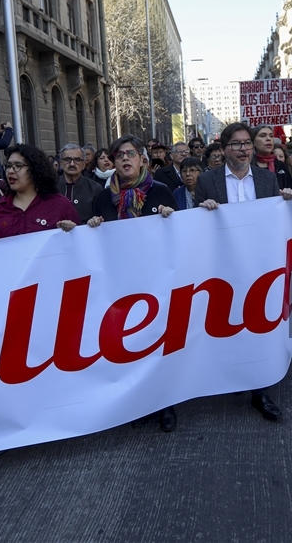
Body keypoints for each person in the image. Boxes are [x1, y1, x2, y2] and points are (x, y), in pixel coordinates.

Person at [193, 122, 292, 422]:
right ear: (224, 149)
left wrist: (286, 201)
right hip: (223, 266)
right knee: (226, 322)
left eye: (247, 144)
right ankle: (225, 376)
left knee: (258, 323)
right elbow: (197, 224)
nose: (243, 149)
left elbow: (277, 221)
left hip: (259, 265)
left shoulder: (267, 180)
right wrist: (204, 209)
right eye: (236, 144)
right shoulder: (208, 181)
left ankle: (260, 389)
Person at [87, 135, 176, 430]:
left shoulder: (162, 192)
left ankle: (165, 403)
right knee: (128, 345)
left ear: (142, 160)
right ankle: (136, 404)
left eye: (131, 154)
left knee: (158, 343)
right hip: (119, 283)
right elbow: (92, 244)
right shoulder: (102, 198)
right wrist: (92, 228)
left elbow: (181, 234)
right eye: (119, 155)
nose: (125, 159)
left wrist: (171, 219)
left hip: (155, 280)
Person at [0, 144, 78, 244]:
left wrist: (73, 231)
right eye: (8, 166)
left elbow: (79, 243)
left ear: (35, 169)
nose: (11, 171)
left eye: (18, 166)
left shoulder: (60, 204)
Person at [56, 144, 104, 222]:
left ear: (83, 165)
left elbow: (100, 217)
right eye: (67, 159)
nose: (72, 164)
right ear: (61, 163)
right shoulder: (50, 187)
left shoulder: (94, 188)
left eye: (77, 160)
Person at [251, 125, 292, 192]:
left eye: (271, 136)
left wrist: (289, 192)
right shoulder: (247, 166)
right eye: (263, 135)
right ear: (253, 142)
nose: (268, 139)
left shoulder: (281, 166)